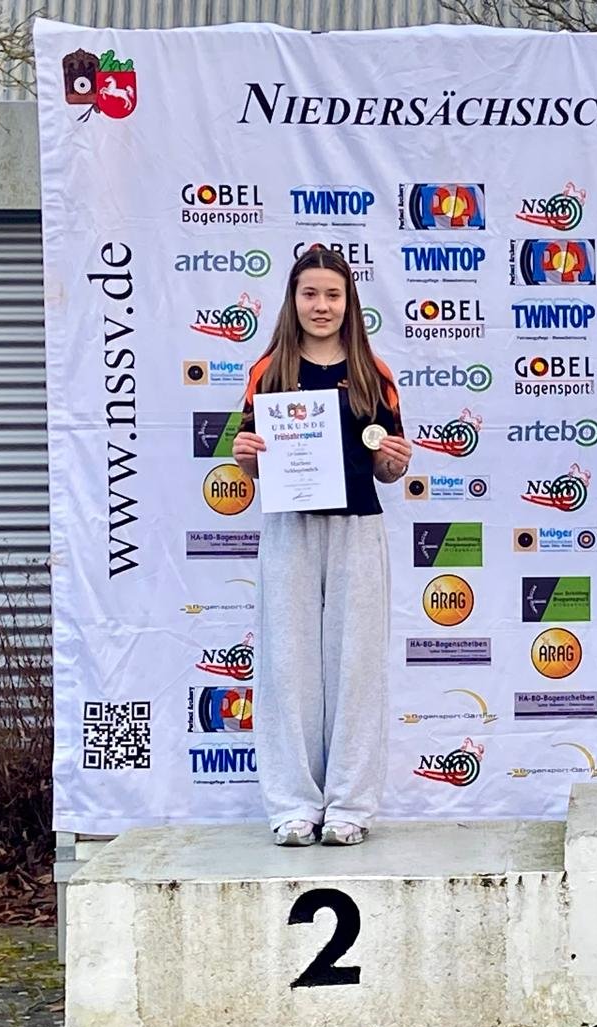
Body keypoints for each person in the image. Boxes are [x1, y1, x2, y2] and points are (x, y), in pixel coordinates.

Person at [231, 246, 413, 846]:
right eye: (310, 293)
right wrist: (244, 457)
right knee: (287, 666)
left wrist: (394, 462)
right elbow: (252, 464)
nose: (321, 305)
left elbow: (387, 467)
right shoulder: (268, 371)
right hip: (290, 528)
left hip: (357, 528)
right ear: (293, 300)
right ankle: (292, 806)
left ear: (349, 302)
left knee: (357, 666)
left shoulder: (373, 372)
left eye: (333, 294)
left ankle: (350, 806)